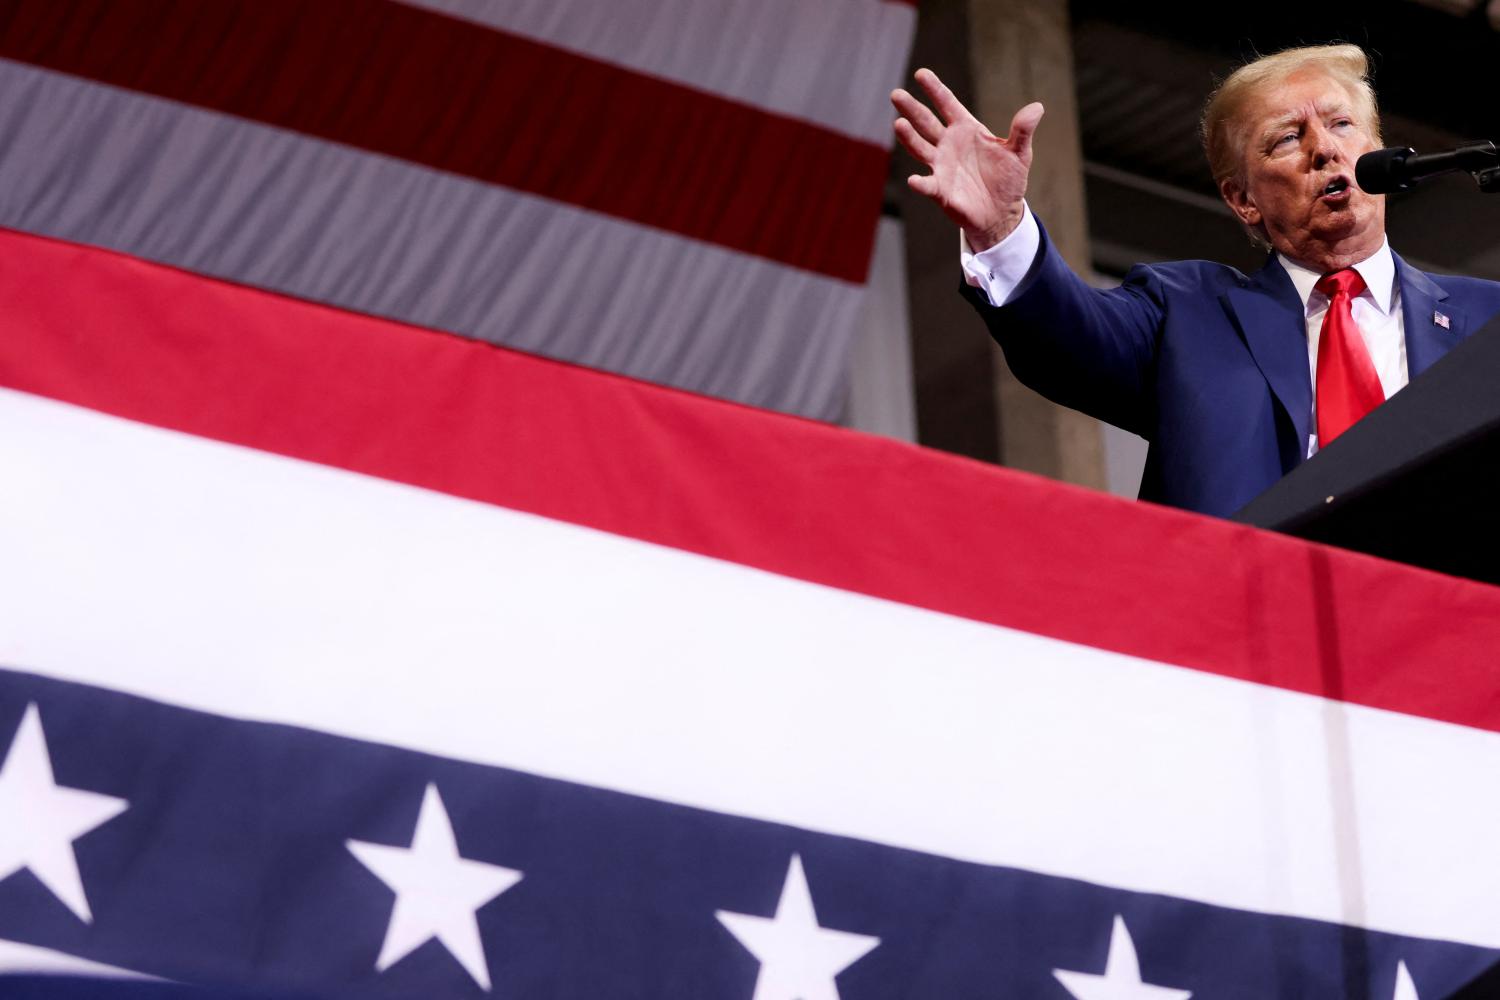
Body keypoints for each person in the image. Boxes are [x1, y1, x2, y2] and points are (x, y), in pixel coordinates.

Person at [891, 44, 1500, 518]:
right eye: (1288, 138)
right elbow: (1069, 334)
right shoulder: (1187, 313)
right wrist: (1003, 228)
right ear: (1243, 201)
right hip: (1248, 645)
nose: (1324, 151)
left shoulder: (1488, 324)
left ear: (1377, 150)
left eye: (1342, 125)